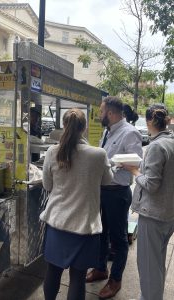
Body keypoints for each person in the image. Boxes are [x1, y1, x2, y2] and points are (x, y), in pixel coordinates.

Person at [40, 108, 113, 300]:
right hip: (85, 227)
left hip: (57, 223)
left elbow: (47, 185)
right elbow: (107, 181)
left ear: (64, 126)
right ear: (85, 128)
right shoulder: (98, 154)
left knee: (52, 272)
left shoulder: (52, 151)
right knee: (78, 278)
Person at [123, 104, 174, 300]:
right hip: (169, 214)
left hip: (153, 216)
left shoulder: (156, 146)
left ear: (150, 121)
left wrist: (133, 170)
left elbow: (150, 184)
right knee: (157, 263)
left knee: (149, 267)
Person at [86, 96, 142, 299]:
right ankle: (100, 268)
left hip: (117, 193)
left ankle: (115, 280)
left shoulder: (130, 133)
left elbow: (136, 164)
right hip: (102, 190)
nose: (99, 115)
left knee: (118, 240)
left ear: (110, 113)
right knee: (101, 232)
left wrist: (113, 163)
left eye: (101, 112)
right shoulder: (107, 132)